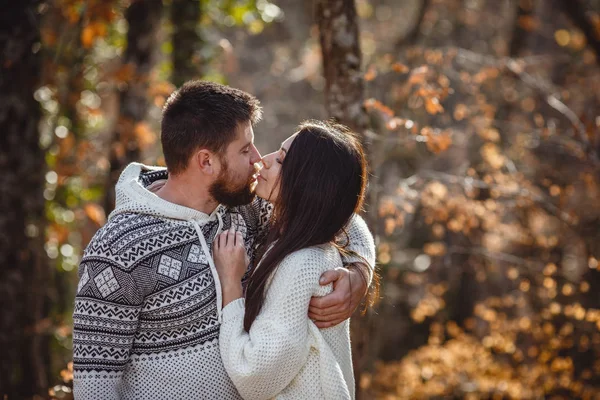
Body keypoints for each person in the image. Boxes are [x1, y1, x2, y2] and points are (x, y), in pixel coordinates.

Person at [72, 81, 375, 399]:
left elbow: (333, 212)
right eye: (245, 150)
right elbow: (95, 387)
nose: (258, 160)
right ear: (206, 162)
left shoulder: (245, 208)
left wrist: (359, 272)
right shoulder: (117, 249)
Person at [213, 120, 375, 400]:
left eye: (281, 159)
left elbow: (254, 377)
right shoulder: (295, 235)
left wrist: (230, 285)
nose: (262, 161)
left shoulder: (303, 264)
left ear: (307, 183)